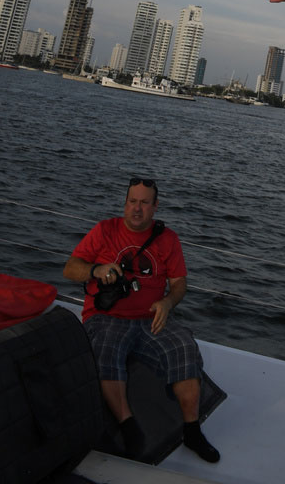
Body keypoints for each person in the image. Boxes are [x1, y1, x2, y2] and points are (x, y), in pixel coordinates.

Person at [63, 177, 220, 464]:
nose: (137, 209)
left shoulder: (168, 238)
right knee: (106, 350)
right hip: (107, 317)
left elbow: (179, 283)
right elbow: (70, 269)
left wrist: (167, 302)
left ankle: (192, 430)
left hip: (151, 319)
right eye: (132, 201)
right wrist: (97, 270)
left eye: (144, 203)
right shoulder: (104, 230)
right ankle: (128, 424)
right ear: (125, 204)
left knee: (184, 347)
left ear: (155, 206)